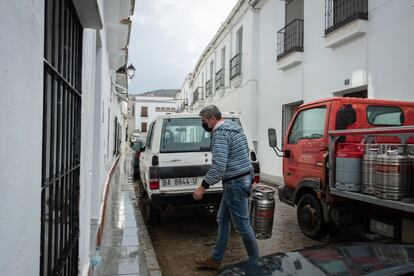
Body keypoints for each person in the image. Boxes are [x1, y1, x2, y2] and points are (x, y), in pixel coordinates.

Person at [193, 105, 259, 271]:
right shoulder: (235, 128)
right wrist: (250, 178)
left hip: (235, 184)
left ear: (213, 119)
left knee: (243, 226)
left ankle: (258, 264)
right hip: (240, 180)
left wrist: (202, 187)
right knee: (223, 219)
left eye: (204, 121)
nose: (204, 124)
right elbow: (245, 154)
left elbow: (219, 167)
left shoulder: (220, 134)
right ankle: (215, 259)